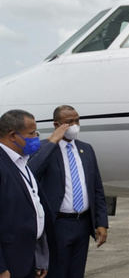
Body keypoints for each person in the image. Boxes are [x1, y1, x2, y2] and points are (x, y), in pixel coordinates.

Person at [29, 105, 108, 278]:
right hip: (58, 224)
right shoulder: (44, 149)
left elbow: (97, 188)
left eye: (77, 120)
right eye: (69, 122)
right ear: (57, 125)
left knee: (76, 272)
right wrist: (52, 141)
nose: (75, 125)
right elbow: (32, 172)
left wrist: (101, 223)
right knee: (57, 272)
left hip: (82, 223)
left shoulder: (86, 149)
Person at [0, 110, 49, 278]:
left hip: (28, 259)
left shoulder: (22, 161)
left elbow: (33, 209)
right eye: (31, 133)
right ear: (13, 135)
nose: (36, 137)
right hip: (8, 264)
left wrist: (39, 257)